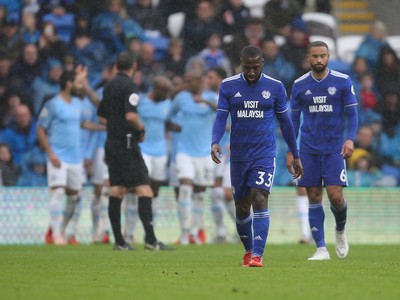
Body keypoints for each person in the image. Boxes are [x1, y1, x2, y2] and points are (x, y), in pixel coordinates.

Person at [211, 45, 303, 267]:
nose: (251, 72)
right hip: (239, 156)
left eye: (255, 68)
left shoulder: (275, 87)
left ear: (262, 63)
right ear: (241, 63)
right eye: (247, 68)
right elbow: (221, 117)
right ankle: (249, 250)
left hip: (263, 153)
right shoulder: (228, 85)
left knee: (259, 197)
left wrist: (294, 152)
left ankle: (258, 255)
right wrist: (215, 140)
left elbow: (286, 123)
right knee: (242, 207)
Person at [287, 40, 359, 260]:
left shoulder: (342, 81)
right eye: (315, 56)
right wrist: (292, 150)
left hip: (334, 149)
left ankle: (340, 231)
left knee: (335, 196)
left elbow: (352, 114)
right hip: (308, 148)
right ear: (309, 57)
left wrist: (350, 139)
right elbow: (293, 120)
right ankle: (320, 249)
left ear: (328, 57)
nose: (319, 60)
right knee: (314, 195)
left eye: (323, 56)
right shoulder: (299, 84)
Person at [97, 51, 174, 251]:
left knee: (117, 189)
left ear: (116, 66)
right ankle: (150, 240)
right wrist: (140, 129)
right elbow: (131, 115)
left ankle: (119, 242)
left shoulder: (108, 86)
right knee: (144, 189)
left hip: (111, 143)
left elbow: (102, 118)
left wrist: (116, 125)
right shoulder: (130, 86)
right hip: (128, 143)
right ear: (133, 67)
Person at [36, 67, 92, 245]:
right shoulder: (52, 104)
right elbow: (40, 130)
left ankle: (57, 231)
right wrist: (50, 153)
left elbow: (83, 122)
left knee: (73, 198)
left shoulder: (77, 103)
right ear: (68, 84)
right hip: (58, 156)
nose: (79, 86)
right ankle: (57, 236)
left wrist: (105, 127)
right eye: (77, 83)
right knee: (58, 192)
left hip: (76, 158)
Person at [167, 70, 218, 245]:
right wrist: (173, 126)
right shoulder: (181, 98)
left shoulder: (212, 96)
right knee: (185, 187)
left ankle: (195, 233)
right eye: (187, 81)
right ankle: (184, 232)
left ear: (200, 81)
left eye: (191, 81)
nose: (188, 84)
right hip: (184, 151)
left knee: (200, 194)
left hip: (204, 153)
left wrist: (204, 101)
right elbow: (169, 116)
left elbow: (221, 110)